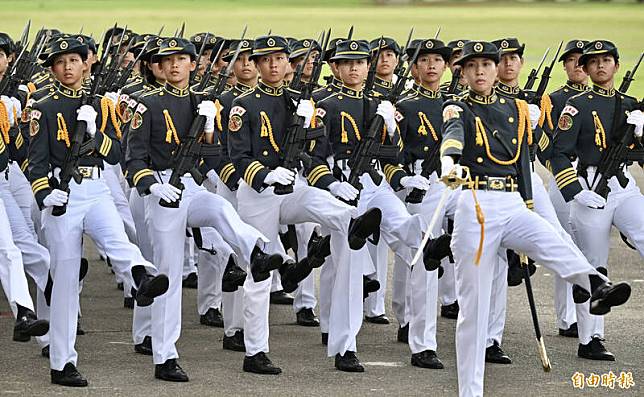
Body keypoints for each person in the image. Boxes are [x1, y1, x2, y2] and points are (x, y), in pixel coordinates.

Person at [440, 40, 632, 397]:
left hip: (512, 200)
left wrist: (528, 197)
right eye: (472, 66)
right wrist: (449, 163)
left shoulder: (516, 107)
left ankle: (594, 285)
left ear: (497, 70)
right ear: (462, 73)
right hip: (476, 203)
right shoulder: (457, 107)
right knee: (475, 308)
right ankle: (470, 391)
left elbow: (532, 156)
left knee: (551, 237)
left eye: (486, 64)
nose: (480, 72)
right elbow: (452, 137)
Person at [227, 35, 381, 374]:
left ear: (288, 64)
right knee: (261, 271)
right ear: (255, 63)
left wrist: (331, 183)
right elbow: (237, 156)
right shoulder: (243, 105)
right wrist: (266, 175)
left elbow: (313, 153)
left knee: (335, 214)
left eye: (279, 58)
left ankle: (345, 344)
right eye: (265, 59)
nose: (272, 65)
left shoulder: (301, 101)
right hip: (259, 193)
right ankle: (255, 352)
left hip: (294, 186)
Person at [28, 36, 169, 387]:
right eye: (60, 63)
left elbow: (116, 154)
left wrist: (94, 129)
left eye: (74, 60)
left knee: (117, 237)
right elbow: (36, 162)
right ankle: (62, 363)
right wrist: (45, 195)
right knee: (64, 282)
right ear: (53, 69)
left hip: (94, 189)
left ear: (86, 63)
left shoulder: (102, 106)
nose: (67, 67)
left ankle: (141, 277)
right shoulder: (42, 108)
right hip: (62, 194)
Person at [550, 39, 644, 361]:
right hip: (589, 186)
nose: (601, 66)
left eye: (607, 60)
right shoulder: (576, 106)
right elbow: (558, 153)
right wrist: (575, 191)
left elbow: (639, 155)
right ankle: (590, 339)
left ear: (616, 65)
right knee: (593, 263)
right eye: (594, 62)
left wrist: (642, 135)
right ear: (586, 69)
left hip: (622, 185)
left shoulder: (631, 105)